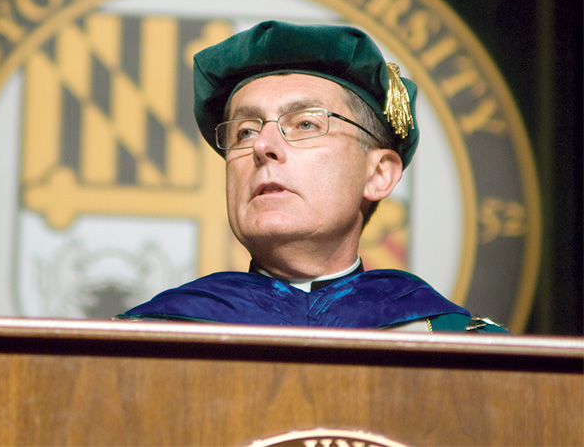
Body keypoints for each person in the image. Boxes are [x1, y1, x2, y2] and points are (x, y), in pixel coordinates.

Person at [119, 21, 508, 333]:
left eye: (305, 123)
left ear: (379, 174)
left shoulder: (458, 346)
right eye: (245, 131)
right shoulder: (147, 341)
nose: (262, 146)